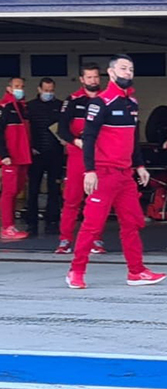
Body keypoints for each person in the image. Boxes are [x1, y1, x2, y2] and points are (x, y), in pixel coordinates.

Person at [65, 54, 166, 289]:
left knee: (132, 223)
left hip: (125, 175)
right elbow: (88, 138)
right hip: (103, 173)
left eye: (131, 69)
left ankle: (136, 271)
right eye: (123, 68)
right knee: (92, 225)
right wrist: (89, 170)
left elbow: (132, 139)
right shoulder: (100, 103)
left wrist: (140, 165)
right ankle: (76, 271)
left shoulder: (132, 103)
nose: (128, 73)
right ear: (111, 73)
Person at [56, 63, 107, 254]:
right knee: (71, 199)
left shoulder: (106, 100)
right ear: (82, 79)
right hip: (77, 155)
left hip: (101, 155)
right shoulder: (72, 100)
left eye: (96, 77)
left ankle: (96, 239)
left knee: (97, 199)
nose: (93, 80)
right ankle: (65, 239)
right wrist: (76, 142)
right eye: (89, 77)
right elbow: (61, 129)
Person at [25, 77, 64, 237]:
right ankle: (31, 223)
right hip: (36, 154)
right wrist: (30, 147)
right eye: (46, 90)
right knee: (33, 189)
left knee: (54, 190)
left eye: (51, 90)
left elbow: (64, 128)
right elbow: (26, 131)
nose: (49, 93)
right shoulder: (30, 107)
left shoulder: (60, 106)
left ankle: (52, 222)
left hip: (55, 153)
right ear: (39, 89)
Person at [0, 77, 32, 241]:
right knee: (9, 191)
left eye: (22, 86)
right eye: (17, 86)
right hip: (10, 158)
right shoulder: (4, 108)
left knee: (16, 191)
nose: (20, 89)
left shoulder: (21, 107)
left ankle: (10, 224)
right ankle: (7, 227)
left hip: (22, 157)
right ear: (9, 88)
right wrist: (4, 155)